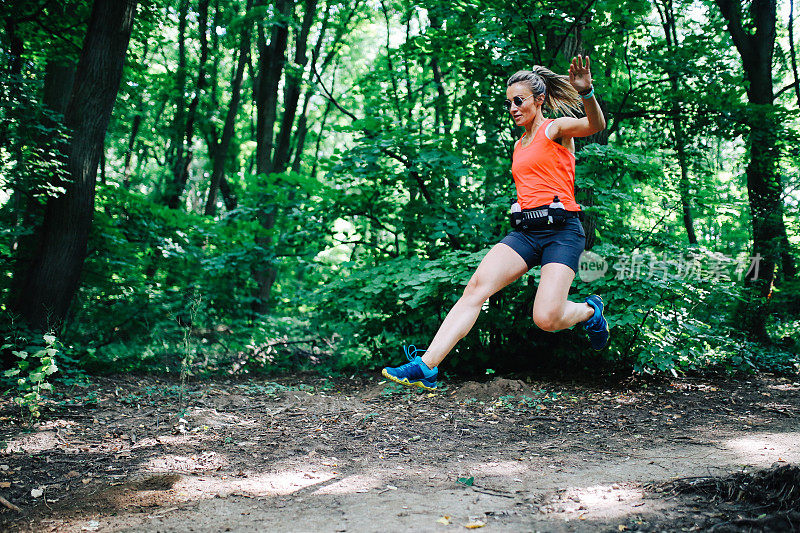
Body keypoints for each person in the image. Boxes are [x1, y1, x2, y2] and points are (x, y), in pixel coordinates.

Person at [382, 55, 609, 390]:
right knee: (475, 289)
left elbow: (595, 126)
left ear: (539, 99)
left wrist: (587, 93)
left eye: (519, 101)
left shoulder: (556, 129)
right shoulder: (519, 145)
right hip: (526, 232)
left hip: (562, 232)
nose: (513, 108)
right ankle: (426, 365)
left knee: (546, 318)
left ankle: (590, 312)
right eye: (509, 103)